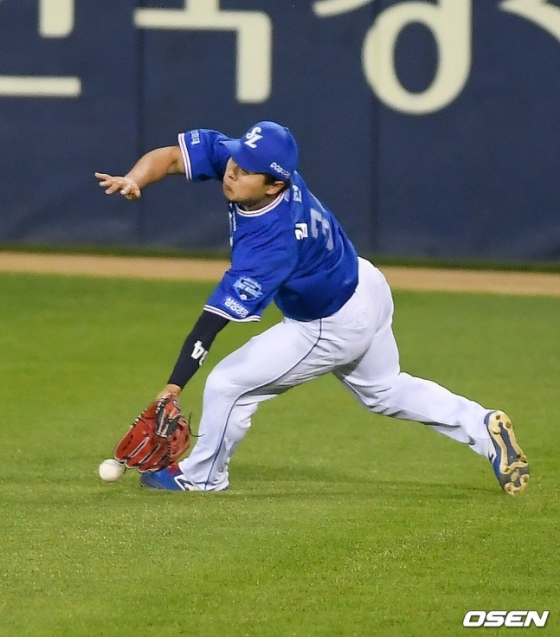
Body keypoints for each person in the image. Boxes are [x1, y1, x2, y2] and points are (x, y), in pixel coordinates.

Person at [95, 121, 529, 496]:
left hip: (329, 323)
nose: (232, 171)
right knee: (386, 390)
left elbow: (213, 322)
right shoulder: (254, 164)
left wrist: (174, 386)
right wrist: (135, 178)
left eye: (246, 171)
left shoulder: (272, 242)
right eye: (234, 161)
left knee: (228, 384)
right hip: (364, 283)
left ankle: (203, 476)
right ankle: (482, 425)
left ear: (275, 184)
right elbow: (171, 157)